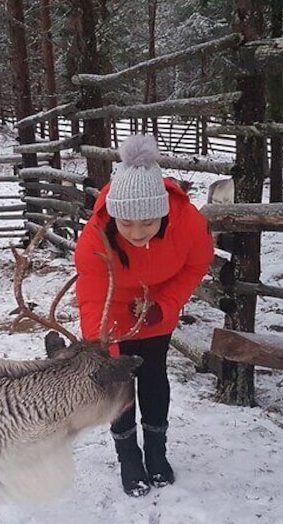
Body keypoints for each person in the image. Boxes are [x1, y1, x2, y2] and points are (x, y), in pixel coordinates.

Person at [74, 135, 214, 497]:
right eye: (127, 224)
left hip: (155, 309)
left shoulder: (189, 223)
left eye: (148, 223)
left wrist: (164, 306)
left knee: (153, 376)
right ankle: (128, 457)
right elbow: (91, 296)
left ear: (163, 213)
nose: (137, 233)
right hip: (112, 310)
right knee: (119, 384)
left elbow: (197, 265)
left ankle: (156, 451)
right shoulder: (94, 238)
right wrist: (101, 348)